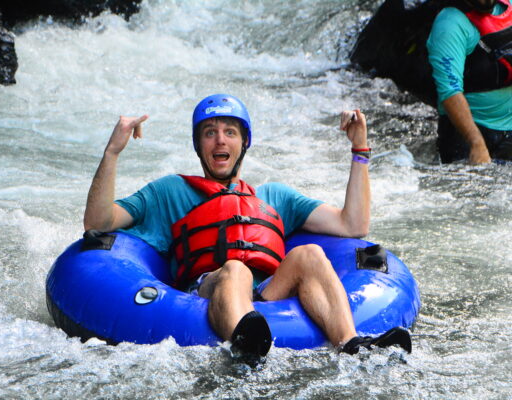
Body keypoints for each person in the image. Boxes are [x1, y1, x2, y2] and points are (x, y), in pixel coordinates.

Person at [83, 94, 411, 359]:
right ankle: (247, 344)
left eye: (229, 132)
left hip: (266, 293)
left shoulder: (274, 197)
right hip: (207, 289)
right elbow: (98, 222)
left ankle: (351, 345)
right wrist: (112, 152)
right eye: (209, 133)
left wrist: (359, 149)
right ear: (199, 145)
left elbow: (353, 224)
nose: (219, 141)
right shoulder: (169, 191)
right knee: (235, 270)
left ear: (243, 143)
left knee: (309, 254)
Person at [426, 0, 512, 164]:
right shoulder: (449, 24)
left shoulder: (508, 8)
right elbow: (450, 91)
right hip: (470, 133)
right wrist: (476, 143)